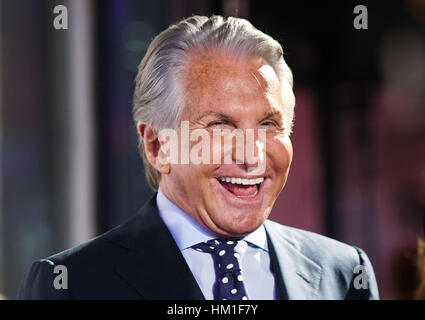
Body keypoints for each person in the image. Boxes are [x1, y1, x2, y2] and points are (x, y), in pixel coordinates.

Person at [17, 15, 379, 300]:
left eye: (269, 124)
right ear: (158, 146)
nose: (252, 155)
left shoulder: (344, 275)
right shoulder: (72, 285)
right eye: (221, 126)